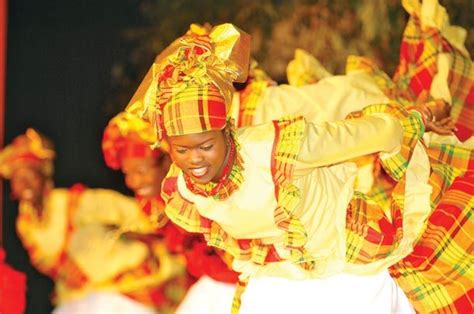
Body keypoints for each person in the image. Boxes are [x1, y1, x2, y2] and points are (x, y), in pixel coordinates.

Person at [0, 128, 181, 313]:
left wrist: (142, 234)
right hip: (76, 297)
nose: (25, 184)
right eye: (17, 178)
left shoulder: (74, 203)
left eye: (30, 174)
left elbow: (134, 213)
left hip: (118, 290)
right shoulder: (25, 224)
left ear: (44, 174)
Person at [102, 111, 239, 313]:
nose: (133, 181)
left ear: (167, 162)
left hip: (243, 281)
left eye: (140, 171)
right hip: (215, 283)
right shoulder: (154, 203)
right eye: (127, 173)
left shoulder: (199, 193)